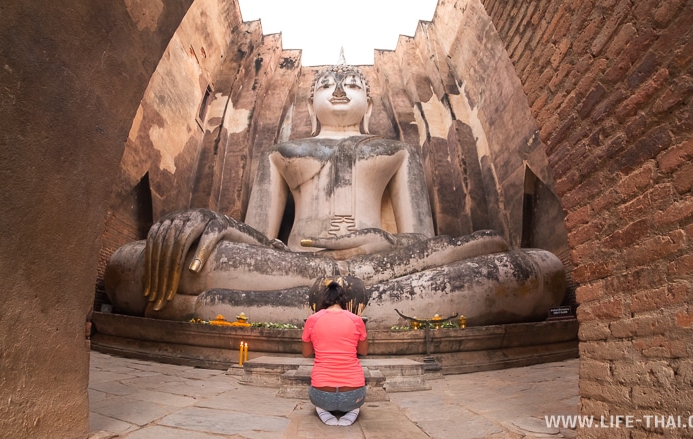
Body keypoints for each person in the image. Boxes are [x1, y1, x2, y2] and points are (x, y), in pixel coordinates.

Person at [104, 62, 565, 327]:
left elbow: (421, 240)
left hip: (381, 265)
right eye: (327, 85)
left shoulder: (396, 151)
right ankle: (364, 311)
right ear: (310, 103)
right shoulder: (283, 152)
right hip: (291, 265)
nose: (340, 90)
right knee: (130, 266)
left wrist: (378, 241)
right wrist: (216, 223)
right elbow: (261, 238)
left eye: (352, 85)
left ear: (368, 101)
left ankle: (228, 310)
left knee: (534, 267)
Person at [301, 277, 368, 426]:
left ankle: (323, 411)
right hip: (353, 396)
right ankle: (352, 411)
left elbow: (306, 353)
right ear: (344, 300)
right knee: (357, 398)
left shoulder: (312, 320)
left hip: (322, 396)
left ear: (323, 300)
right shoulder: (356, 320)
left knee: (316, 393)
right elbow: (363, 351)